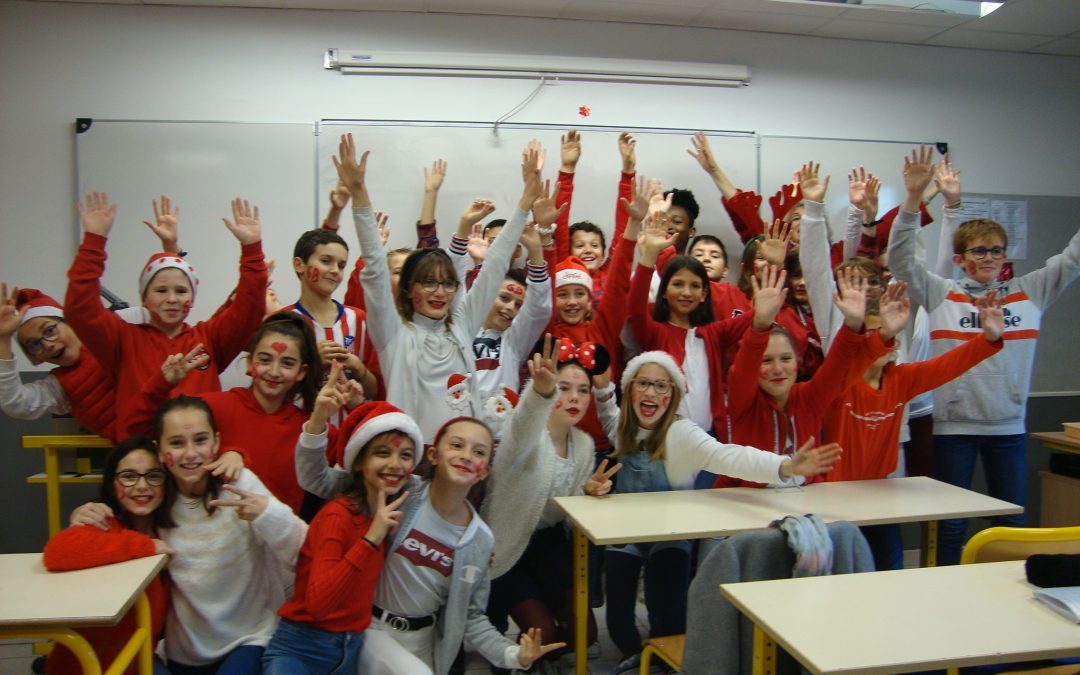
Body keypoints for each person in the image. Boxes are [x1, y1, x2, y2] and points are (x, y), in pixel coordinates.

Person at [887, 145, 1080, 565]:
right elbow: (899, 260)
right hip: (953, 430)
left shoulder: (1030, 292)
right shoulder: (943, 293)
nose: (989, 258)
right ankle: (943, 592)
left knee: (1010, 522)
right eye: (978, 252)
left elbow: (1072, 258)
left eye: (996, 251)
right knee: (950, 524)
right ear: (960, 259)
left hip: (1008, 428)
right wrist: (914, 199)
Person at [294, 382, 565, 674]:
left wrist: (514, 655)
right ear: (433, 455)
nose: (466, 457)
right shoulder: (399, 492)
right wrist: (318, 420)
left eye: (478, 452)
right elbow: (318, 481)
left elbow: (472, 618)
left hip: (424, 643)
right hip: (367, 630)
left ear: (485, 470)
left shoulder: (479, 541)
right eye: (457, 445)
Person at [602, 349, 842, 674]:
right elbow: (605, 408)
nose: (651, 392)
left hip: (669, 536)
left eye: (662, 386)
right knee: (617, 620)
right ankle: (636, 653)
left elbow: (729, 456)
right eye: (643, 383)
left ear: (672, 394)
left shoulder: (681, 433)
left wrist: (784, 466)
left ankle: (662, 660)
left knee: (669, 616)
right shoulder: (621, 427)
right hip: (626, 535)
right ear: (629, 389)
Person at [333, 132, 542, 442]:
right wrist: (360, 194)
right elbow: (376, 271)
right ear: (407, 289)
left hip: (465, 462)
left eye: (447, 283)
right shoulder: (393, 333)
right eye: (428, 282)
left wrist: (525, 201)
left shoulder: (461, 327)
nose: (439, 292)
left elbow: (495, 264)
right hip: (409, 465)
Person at [822, 284, 1004, 570]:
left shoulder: (902, 379)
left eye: (886, 333)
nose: (880, 339)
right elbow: (849, 364)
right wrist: (883, 334)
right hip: (834, 501)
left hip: (879, 497)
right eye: (871, 332)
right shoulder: (839, 384)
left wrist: (989, 338)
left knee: (891, 570)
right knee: (842, 575)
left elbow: (949, 365)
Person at [64, 192, 268, 432]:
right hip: (143, 460)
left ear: (191, 299)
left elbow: (249, 309)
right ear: (145, 298)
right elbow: (79, 309)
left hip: (199, 457)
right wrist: (94, 242)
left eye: (181, 291)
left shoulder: (208, 340)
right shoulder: (122, 339)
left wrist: (251, 250)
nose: (171, 299)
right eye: (161, 290)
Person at [482, 337, 617, 668]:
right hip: (508, 546)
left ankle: (536, 659)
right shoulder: (524, 435)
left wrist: (587, 494)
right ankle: (511, 660)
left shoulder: (584, 445)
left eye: (583, 390)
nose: (574, 397)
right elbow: (524, 423)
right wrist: (541, 392)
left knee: (581, 636)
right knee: (543, 632)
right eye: (565, 387)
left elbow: (567, 515)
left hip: (551, 550)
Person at [262, 401, 424, 675]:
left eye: (406, 455)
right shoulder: (338, 515)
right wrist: (371, 539)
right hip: (301, 649)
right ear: (359, 462)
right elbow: (318, 604)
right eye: (382, 453)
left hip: (351, 650)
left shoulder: (392, 511)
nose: (396, 464)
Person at [154, 396, 306, 674]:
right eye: (176, 443)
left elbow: (305, 551)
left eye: (200, 440)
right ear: (159, 450)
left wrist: (268, 512)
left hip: (249, 638)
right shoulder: (154, 497)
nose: (190, 453)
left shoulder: (240, 483)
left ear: (216, 443)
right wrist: (89, 516)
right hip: (184, 651)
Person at [128, 312, 327, 517]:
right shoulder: (210, 408)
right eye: (265, 360)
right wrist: (162, 384)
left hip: (278, 541)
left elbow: (350, 471)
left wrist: (355, 398)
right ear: (250, 363)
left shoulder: (310, 430)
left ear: (301, 372)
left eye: (287, 363)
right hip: (214, 537)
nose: (274, 372)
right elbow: (136, 431)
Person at [713, 265, 895, 489]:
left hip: (808, 504)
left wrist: (853, 323)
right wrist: (760, 323)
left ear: (798, 363)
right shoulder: (744, 400)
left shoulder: (810, 398)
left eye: (786, 359)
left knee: (846, 527)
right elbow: (745, 365)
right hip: (751, 507)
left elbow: (837, 367)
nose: (778, 369)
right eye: (767, 361)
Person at [43, 439, 175, 675]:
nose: (142, 486)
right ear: (112, 483)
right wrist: (145, 546)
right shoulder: (102, 521)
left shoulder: (173, 530)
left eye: (153, 476)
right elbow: (56, 553)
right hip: (88, 667)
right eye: (128, 476)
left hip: (140, 660)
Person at [627, 214, 752, 441]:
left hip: (708, 442)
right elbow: (635, 308)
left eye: (694, 286)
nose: (686, 293)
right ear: (664, 291)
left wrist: (775, 270)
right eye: (677, 284)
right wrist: (648, 257)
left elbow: (757, 317)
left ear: (704, 294)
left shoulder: (714, 333)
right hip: (663, 444)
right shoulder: (655, 332)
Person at [0, 286, 118, 441]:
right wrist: (3, 339)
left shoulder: (114, 333)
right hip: (134, 454)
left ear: (69, 321)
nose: (47, 345)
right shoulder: (59, 387)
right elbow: (17, 403)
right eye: (34, 344)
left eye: (49, 331)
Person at [286, 229, 380, 403]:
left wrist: (359, 368)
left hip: (349, 429)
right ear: (299, 264)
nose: (335, 270)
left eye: (341, 265)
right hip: (300, 428)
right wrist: (313, 363)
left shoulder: (358, 319)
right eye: (326, 261)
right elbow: (273, 390)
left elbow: (373, 391)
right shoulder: (283, 321)